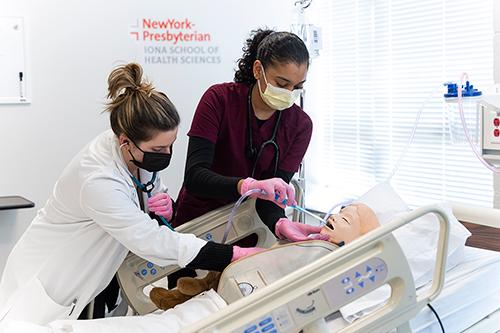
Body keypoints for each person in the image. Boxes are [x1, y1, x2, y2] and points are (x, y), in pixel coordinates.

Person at [0, 63, 260, 329]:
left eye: (171, 144)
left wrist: (164, 207)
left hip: (92, 271)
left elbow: (150, 194)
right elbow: (149, 239)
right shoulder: (97, 177)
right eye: (158, 148)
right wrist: (230, 254)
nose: (166, 154)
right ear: (125, 141)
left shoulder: (137, 155)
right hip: (47, 280)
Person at [174, 29, 327, 245]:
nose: (289, 92)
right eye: (282, 84)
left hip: (248, 229)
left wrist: (280, 222)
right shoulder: (218, 100)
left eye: (298, 86)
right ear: (258, 70)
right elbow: (195, 176)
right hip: (198, 225)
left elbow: (273, 197)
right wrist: (246, 186)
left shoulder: (300, 125)